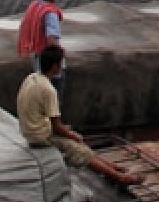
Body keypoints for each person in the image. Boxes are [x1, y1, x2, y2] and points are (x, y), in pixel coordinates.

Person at [17, 46, 141, 185]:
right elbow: (57, 127)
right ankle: (119, 177)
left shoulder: (31, 78)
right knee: (77, 148)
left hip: (30, 130)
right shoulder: (48, 89)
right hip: (40, 137)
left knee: (77, 141)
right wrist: (72, 135)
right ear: (55, 66)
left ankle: (113, 168)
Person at [19, 0, 66, 99]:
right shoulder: (50, 13)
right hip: (50, 68)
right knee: (52, 104)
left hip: (37, 61)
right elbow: (51, 40)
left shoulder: (35, 6)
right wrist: (59, 59)